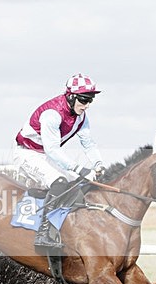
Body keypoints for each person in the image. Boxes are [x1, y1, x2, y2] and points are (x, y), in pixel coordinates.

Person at [14, 73, 105, 249]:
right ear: (71, 96)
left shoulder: (81, 116)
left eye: (90, 101)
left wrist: (98, 164)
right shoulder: (52, 114)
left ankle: (65, 228)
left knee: (76, 184)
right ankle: (43, 232)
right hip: (27, 153)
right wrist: (79, 168)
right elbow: (53, 150)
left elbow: (88, 143)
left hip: (45, 154)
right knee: (60, 182)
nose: (86, 106)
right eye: (84, 100)